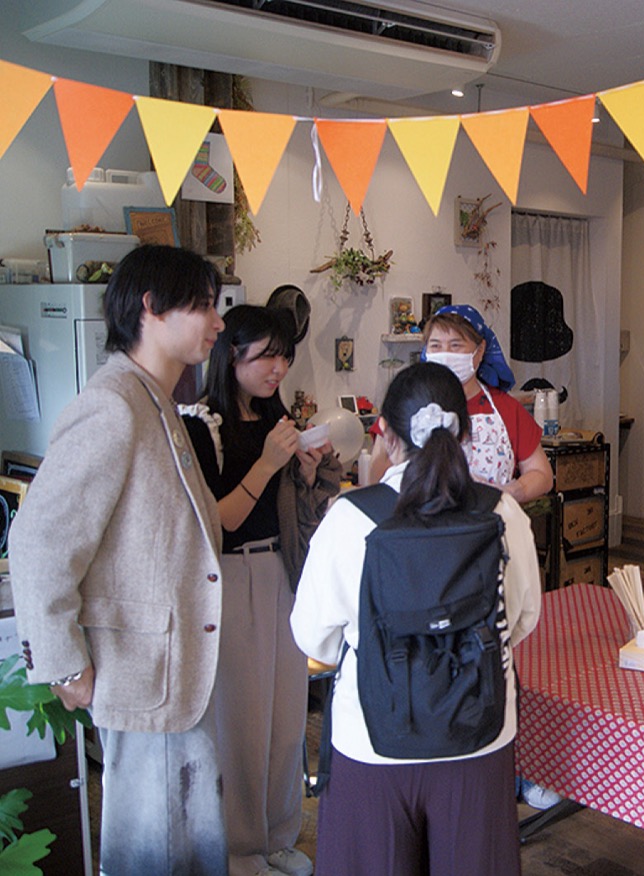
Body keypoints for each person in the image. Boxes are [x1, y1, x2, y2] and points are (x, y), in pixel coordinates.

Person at [9, 245, 229, 874]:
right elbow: (38, 541)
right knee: (151, 852)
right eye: (204, 306)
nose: (217, 323)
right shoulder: (114, 403)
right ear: (152, 308)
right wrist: (63, 662)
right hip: (141, 674)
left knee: (188, 846)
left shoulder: (154, 399)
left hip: (171, 672)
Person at [290, 362, 541, 875]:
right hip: (480, 735)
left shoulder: (350, 517)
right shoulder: (502, 512)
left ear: (384, 431)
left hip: (371, 739)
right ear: (465, 432)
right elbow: (522, 618)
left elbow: (314, 638)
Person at [180, 305, 341, 876]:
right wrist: (270, 463)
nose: (279, 368)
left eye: (285, 357)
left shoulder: (278, 420)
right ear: (232, 355)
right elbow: (217, 522)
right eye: (267, 355)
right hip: (231, 577)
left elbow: (293, 510)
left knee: (287, 717)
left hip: (282, 571)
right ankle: (240, 850)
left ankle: (278, 837)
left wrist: (304, 473)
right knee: (242, 724)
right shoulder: (201, 424)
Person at [368, 304, 552, 501]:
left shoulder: (506, 408)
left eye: (455, 345)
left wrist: (512, 491)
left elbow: (541, 474)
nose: (445, 353)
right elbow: (376, 478)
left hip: (488, 517)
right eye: (436, 346)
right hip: (415, 518)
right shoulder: (405, 404)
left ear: (480, 350)